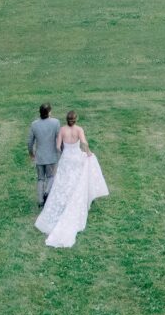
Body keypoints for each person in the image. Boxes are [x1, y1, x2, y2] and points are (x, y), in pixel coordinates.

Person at [34, 110, 108, 248]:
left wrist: (63, 152)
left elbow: (57, 146)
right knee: (76, 181)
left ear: (67, 119)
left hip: (67, 159)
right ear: (76, 119)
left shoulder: (62, 130)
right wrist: (88, 153)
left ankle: (64, 202)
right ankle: (76, 200)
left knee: (63, 183)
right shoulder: (79, 130)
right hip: (76, 158)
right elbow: (84, 143)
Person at [27, 103, 60, 207]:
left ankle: (40, 200)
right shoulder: (55, 122)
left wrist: (31, 153)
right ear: (49, 112)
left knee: (40, 178)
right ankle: (47, 192)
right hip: (51, 156)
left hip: (40, 156)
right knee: (51, 176)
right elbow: (59, 138)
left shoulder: (34, 124)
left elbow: (30, 142)